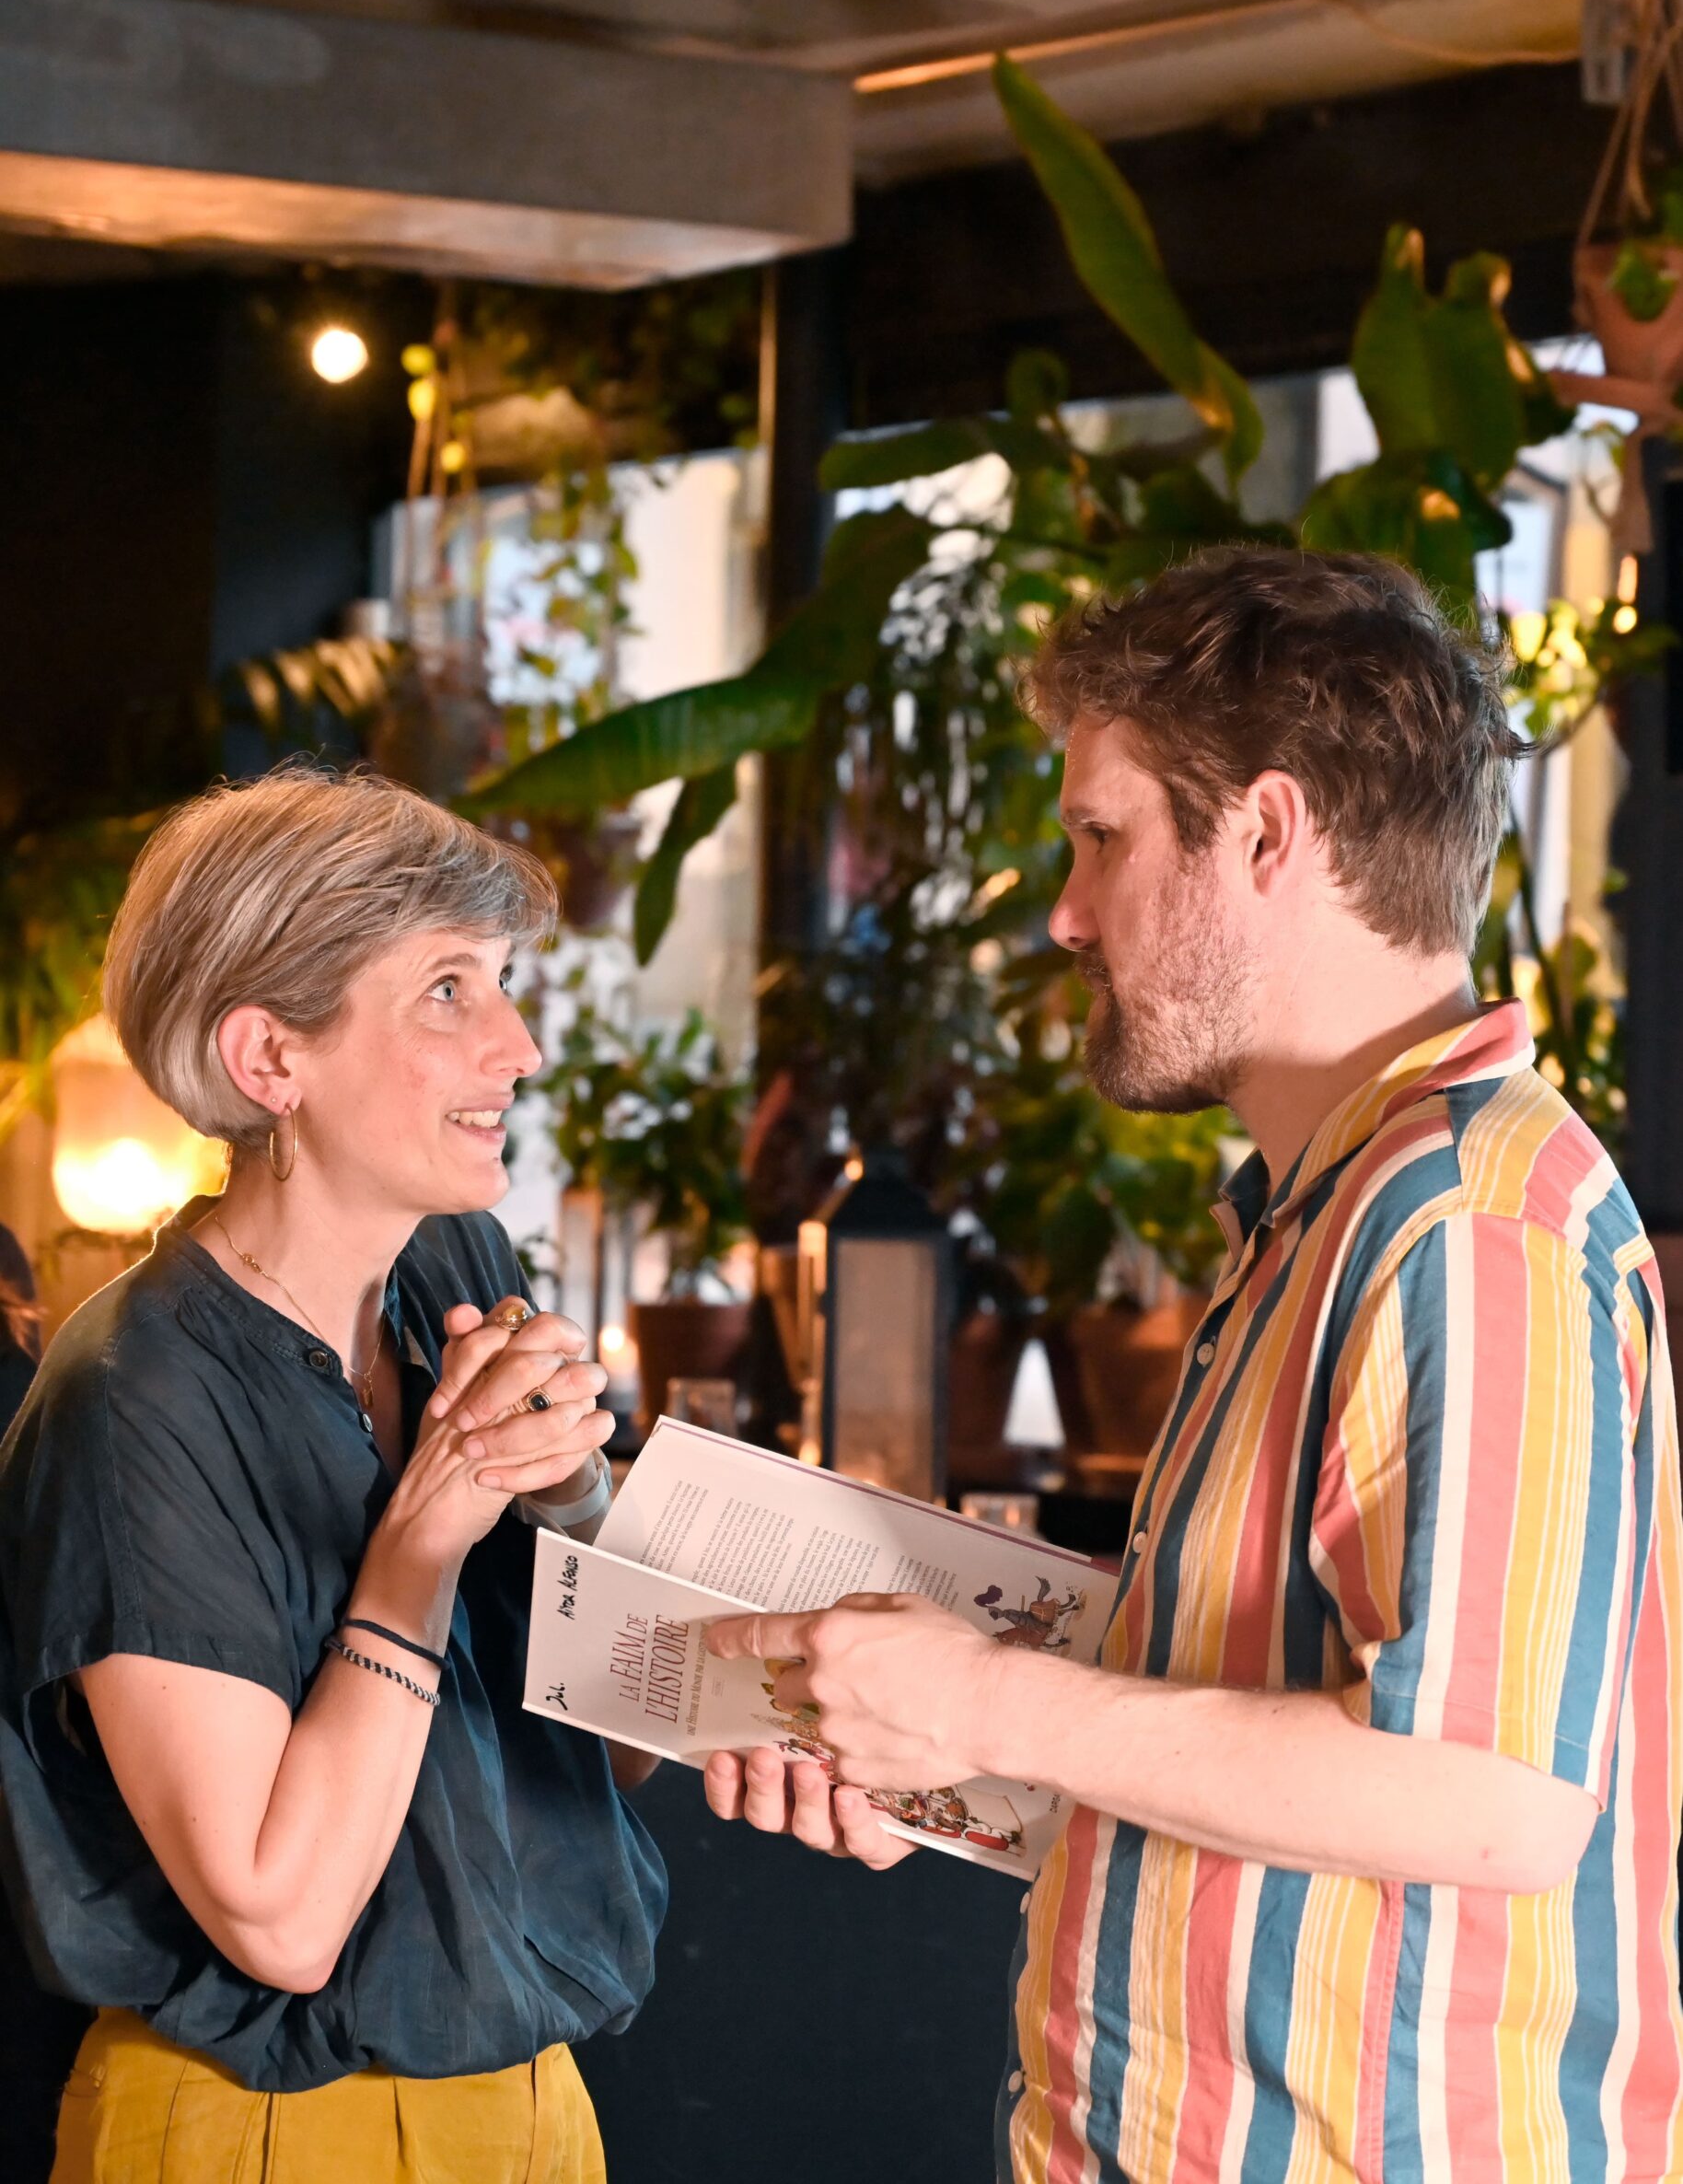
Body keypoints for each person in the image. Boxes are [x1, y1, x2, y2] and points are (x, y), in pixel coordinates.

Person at [703, 547, 1683, 2184]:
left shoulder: (1466, 1222)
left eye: (1102, 837)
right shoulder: (1324, 1212)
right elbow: (1270, 1745)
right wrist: (951, 1754)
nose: (1067, 911)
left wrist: (988, 1696)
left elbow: (1496, 1800)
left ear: (1270, 834)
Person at [0, 763, 665, 2183]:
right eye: (448, 990)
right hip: (267, 2125)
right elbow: (284, 1922)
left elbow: (627, 1738)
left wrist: (571, 1496)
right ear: (269, 1059)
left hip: (533, 2107)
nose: (518, 1044)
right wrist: (422, 1542)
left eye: (501, 983)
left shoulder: (451, 1271)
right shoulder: (134, 1398)